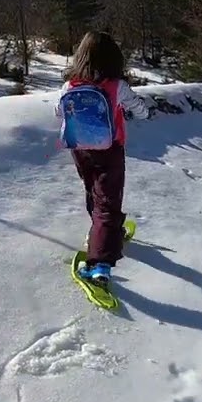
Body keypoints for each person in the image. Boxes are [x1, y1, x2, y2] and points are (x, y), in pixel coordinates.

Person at [55, 31, 151, 286]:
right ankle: (100, 265)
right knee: (108, 201)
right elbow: (141, 111)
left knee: (95, 193)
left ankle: (103, 232)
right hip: (109, 150)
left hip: (80, 149)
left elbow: (58, 112)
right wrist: (138, 111)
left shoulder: (70, 85)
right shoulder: (117, 86)